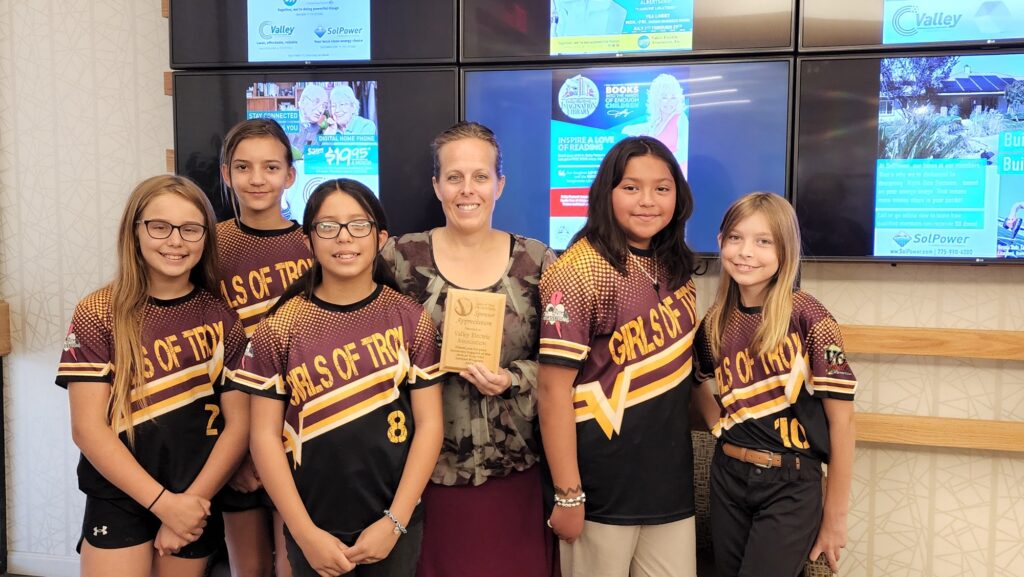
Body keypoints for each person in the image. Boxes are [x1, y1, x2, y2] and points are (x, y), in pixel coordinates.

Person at [229, 179, 444, 577]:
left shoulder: (410, 319)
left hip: (393, 524)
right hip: (311, 526)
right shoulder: (280, 326)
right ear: (308, 241)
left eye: (358, 225)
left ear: (380, 238)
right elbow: (263, 436)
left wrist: (394, 522)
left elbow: (430, 425)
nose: (344, 237)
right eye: (327, 226)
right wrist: (304, 532)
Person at [380, 121, 558, 577]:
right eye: (454, 177)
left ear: (500, 184)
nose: (467, 190)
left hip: (515, 469)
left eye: (480, 176)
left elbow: (566, 366)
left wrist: (513, 378)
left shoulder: (537, 261)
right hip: (422, 476)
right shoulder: (400, 260)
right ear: (436, 185)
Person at [56, 175, 249, 577]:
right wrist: (164, 505)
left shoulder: (221, 318)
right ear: (135, 231)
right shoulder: (98, 312)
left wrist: (189, 506)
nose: (175, 241)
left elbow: (239, 425)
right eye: (160, 227)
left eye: (190, 229)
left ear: (206, 238)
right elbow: (87, 428)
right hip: (119, 496)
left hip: (194, 493)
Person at [538, 136, 703, 577]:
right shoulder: (579, 270)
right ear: (606, 193)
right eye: (631, 187)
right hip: (600, 490)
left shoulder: (677, 269)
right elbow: (552, 392)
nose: (648, 200)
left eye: (662, 188)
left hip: (670, 487)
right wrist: (568, 494)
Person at [692, 192, 857, 577]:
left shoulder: (808, 316)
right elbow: (696, 382)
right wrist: (718, 426)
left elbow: (843, 422)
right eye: (735, 238)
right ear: (720, 242)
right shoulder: (715, 320)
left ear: (785, 250)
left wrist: (835, 518)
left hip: (790, 483)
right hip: (728, 476)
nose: (745, 252)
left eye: (763, 241)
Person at [217, 118, 314, 577]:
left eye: (271, 167)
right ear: (226, 174)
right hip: (231, 427)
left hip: (297, 429)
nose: (257, 179)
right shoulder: (208, 245)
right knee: (247, 567)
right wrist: (235, 452)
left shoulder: (314, 244)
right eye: (243, 167)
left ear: (289, 175)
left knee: (292, 562)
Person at [622, 74, 689, 173]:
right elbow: (633, 129)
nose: (669, 102)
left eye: (673, 98)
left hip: (675, 174)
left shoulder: (681, 118)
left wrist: (660, 165)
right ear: (656, 99)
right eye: (664, 98)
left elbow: (683, 153)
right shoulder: (656, 123)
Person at [291, 84, 329, 149]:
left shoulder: (321, 129)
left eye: (324, 106)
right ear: (303, 101)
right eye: (316, 102)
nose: (320, 110)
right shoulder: (286, 123)